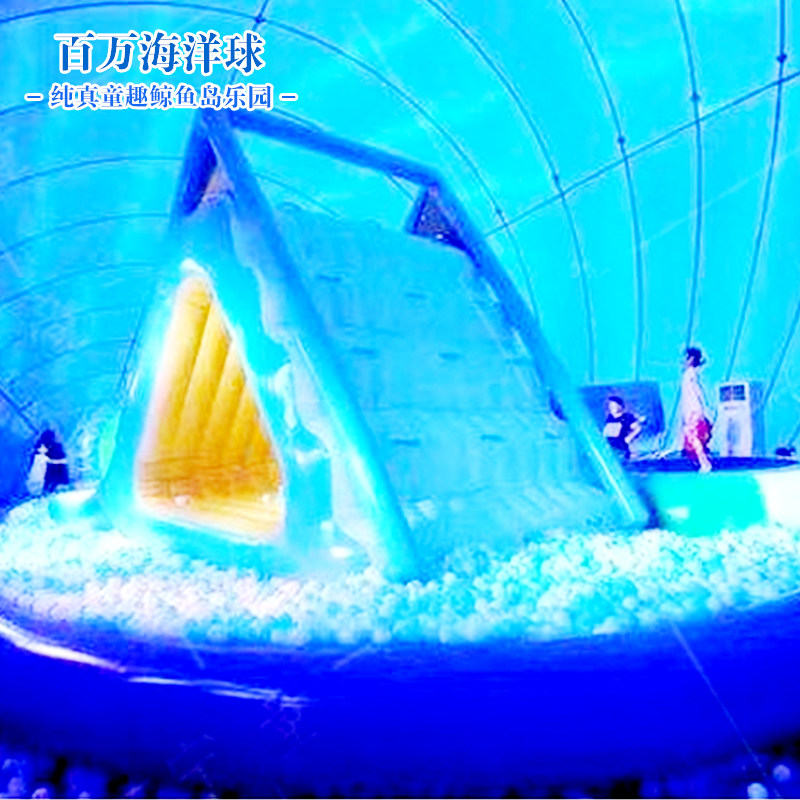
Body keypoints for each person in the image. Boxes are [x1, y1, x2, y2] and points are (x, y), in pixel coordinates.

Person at [681, 346, 713, 473]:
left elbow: (697, 390)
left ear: (691, 359)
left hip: (693, 410)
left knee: (694, 438)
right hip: (691, 409)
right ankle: (702, 461)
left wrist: (703, 405)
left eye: (686, 357)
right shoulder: (689, 373)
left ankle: (704, 462)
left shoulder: (690, 373)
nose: (683, 360)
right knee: (693, 438)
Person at [602, 395, 642, 460]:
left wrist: (629, 437)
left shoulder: (627, 417)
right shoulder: (610, 418)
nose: (612, 408)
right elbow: (607, 434)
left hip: (625, 447)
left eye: (615, 405)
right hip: (612, 448)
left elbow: (638, 428)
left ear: (620, 406)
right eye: (611, 406)